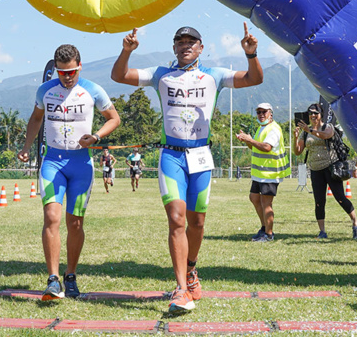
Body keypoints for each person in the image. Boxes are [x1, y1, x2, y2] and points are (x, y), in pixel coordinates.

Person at [111, 23, 263, 315]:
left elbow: (254, 78)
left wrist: (251, 53)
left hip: (200, 156)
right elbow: (119, 75)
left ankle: (191, 268)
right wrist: (126, 51)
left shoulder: (213, 76)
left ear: (201, 47)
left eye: (191, 41)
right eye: (180, 42)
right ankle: (181, 289)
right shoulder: (161, 75)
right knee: (177, 220)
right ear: (174, 47)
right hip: (172, 156)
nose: (185, 46)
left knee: (198, 223)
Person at [18, 44, 120, 301]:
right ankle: (52, 279)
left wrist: (96, 136)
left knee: (75, 223)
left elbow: (114, 118)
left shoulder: (92, 90)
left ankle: (70, 275)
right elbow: (36, 119)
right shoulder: (45, 90)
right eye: (62, 73)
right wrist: (27, 147)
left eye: (72, 71)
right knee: (51, 217)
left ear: (79, 66)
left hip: (81, 164)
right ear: (56, 70)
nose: (67, 77)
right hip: (53, 162)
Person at [293, 103, 357, 240]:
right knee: (319, 201)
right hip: (315, 169)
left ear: (321, 114)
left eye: (316, 113)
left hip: (331, 167)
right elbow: (297, 152)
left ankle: (356, 222)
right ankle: (322, 231)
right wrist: (296, 137)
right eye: (310, 113)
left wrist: (310, 131)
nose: (313, 115)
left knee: (340, 198)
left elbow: (327, 135)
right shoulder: (304, 132)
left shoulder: (327, 127)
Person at [236, 102, 290, 242]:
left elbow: (266, 147)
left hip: (270, 174)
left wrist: (250, 140)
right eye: (258, 112)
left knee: (267, 203)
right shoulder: (262, 128)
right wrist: (247, 140)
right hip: (260, 174)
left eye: (263, 112)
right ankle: (264, 227)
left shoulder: (273, 129)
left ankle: (269, 234)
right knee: (254, 197)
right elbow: (255, 147)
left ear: (270, 113)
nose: (261, 115)